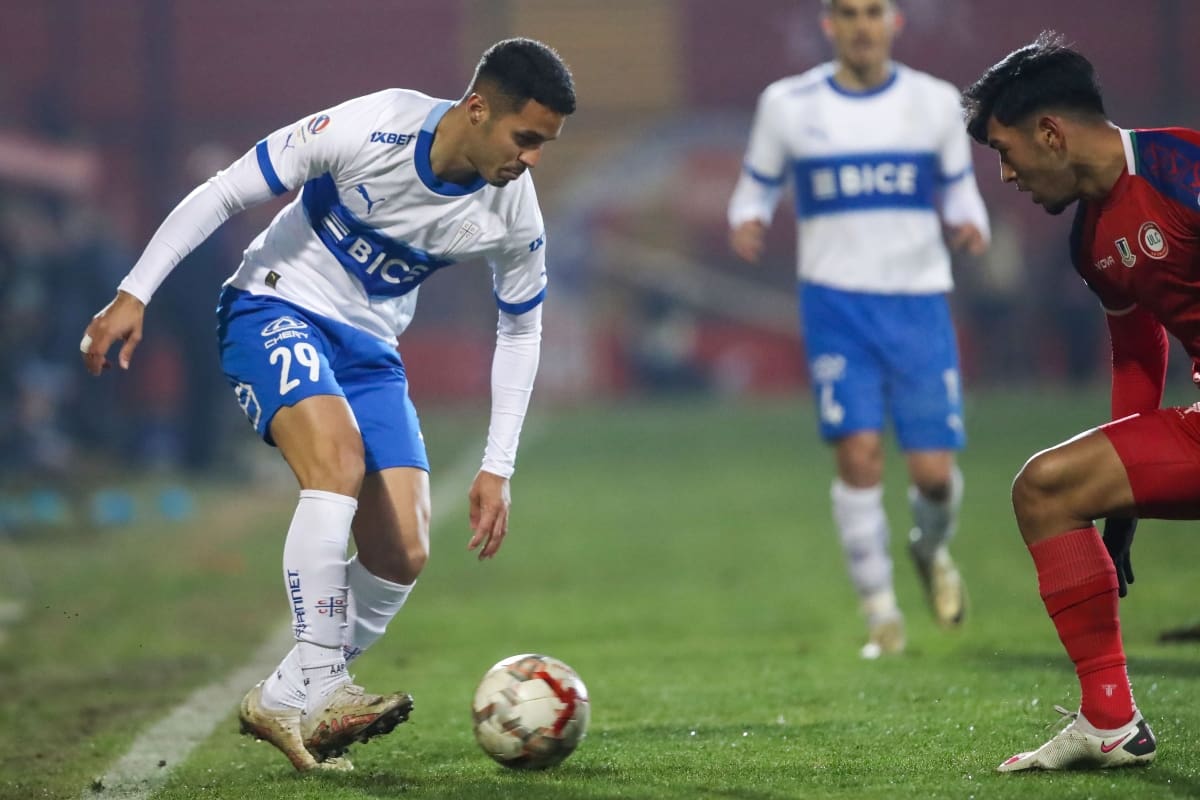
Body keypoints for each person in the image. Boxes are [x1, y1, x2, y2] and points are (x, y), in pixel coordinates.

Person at [78, 38, 575, 772]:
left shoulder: (513, 211)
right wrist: (135, 290)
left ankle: (284, 694)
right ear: (477, 109)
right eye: (525, 138)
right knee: (335, 462)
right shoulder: (371, 127)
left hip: (371, 353)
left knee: (402, 551)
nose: (532, 158)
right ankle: (325, 684)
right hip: (273, 306)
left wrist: (497, 466)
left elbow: (523, 324)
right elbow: (225, 190)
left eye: (545, 145)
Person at [960, 30, 1200, 771]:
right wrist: (1121, 500)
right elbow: (1138, 355)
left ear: (1051, 133)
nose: (1005, 176)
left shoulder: (1182, 167)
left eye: (1005, 151)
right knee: (1048, 489)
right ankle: (1109, 720)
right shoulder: (1091, 241)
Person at [726, 0, 989, 658]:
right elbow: (754, 186)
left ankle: (930, 551)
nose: (862, 24)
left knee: (933, 474)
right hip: (835, 304)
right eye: (849, 12)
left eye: (874, 11)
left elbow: (959, 190)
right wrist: (748, 217)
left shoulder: (934, 103)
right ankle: (880, 614)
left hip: (919, 301)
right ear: (829, 25)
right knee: (859, 457)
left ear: (894, 21)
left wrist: (971, 222)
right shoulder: (788, 105)